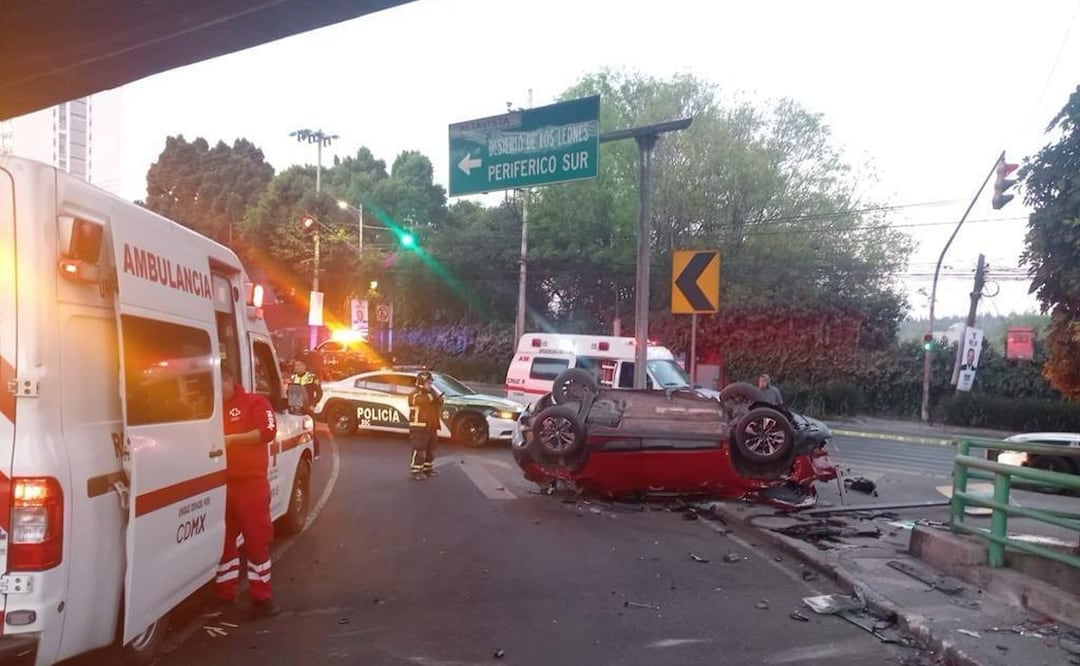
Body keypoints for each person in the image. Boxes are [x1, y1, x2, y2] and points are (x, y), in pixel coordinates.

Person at [214, 367, 281, 618]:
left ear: (230, 380)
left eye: (220, 384)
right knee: (224, 543)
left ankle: (262, 596)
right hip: (220, 484)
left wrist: (232, 440)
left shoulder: (255, 402)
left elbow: (267, 432)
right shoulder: (211, 407)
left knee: (257, 542)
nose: (217, 391)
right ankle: (225, 593)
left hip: (250, 486)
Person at [408, 371, 444, 481]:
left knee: (431, 448)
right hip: (419, 426)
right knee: (419, 448)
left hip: (431, 425)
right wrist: (432, 396)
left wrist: (438, 399)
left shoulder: (431, 392)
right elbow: (421, 400)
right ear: (421, 383)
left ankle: (427, 468)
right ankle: (416, 470)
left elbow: (439, 400)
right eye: (428, 383)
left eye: (430, 383)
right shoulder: (415, 394)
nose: (430, 385)